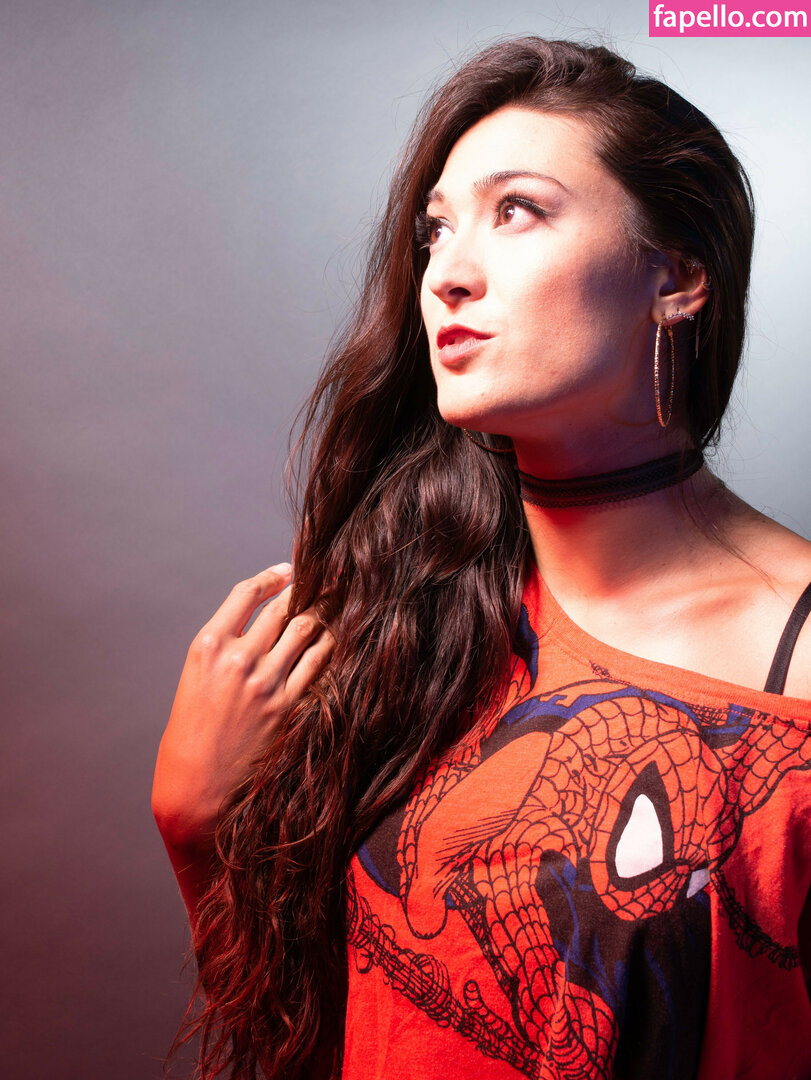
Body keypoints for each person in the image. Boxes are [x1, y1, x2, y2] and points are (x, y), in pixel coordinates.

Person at [152, 36, 811, 1080]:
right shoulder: (405, 616)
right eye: (435, 230)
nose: (448, 275)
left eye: (518, 211)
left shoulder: (795, 670)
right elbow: (310, 1038)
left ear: (677, 277)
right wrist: (196, 829)